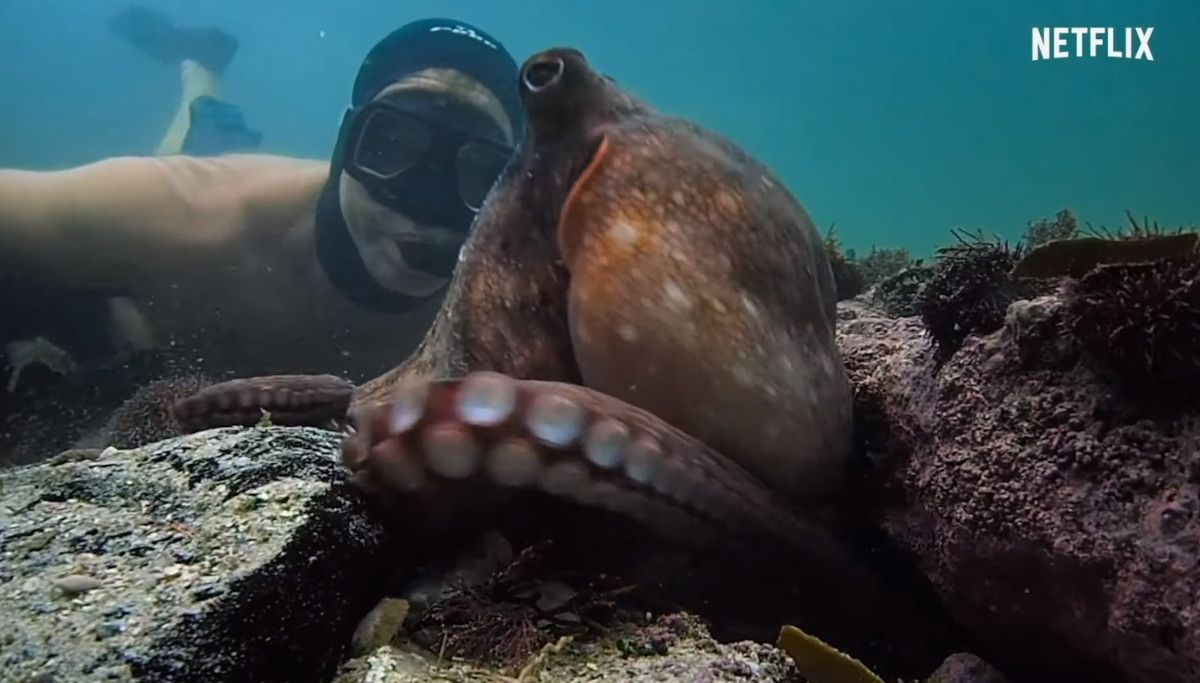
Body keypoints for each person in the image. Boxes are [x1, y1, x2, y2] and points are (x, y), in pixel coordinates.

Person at [0, 8, 522, 381]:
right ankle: (199, 70)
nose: (427, 202)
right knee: (196, 141)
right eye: (390, 147)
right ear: (344, 145)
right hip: (225, 197)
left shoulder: (510, 305)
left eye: (479, 172)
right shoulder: (188, 211)